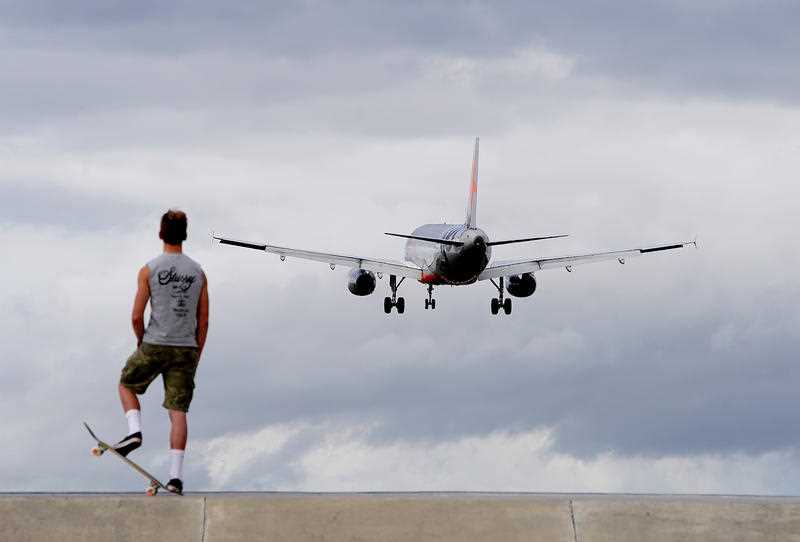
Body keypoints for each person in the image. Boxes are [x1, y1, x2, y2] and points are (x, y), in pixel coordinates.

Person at [115, 209, 209, 495]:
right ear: (185, 235)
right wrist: (197, 352)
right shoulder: (198, 273)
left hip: (155, 342)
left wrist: (143, 342)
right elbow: (203, 319)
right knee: (178, 411)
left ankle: (134, 431)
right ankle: (175, 478)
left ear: (160, 234)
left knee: (126, 384)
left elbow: (135, 315)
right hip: (186, 348)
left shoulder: (149, 269)